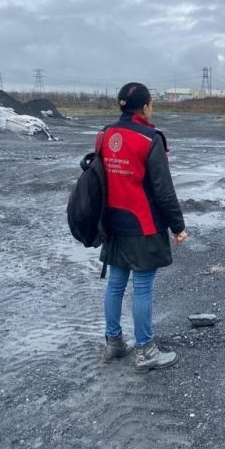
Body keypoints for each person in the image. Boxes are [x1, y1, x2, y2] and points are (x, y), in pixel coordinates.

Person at [96, 82, 188, 372]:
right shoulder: (150, 139)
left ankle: (113, 343)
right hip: (142, 224)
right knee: (143, 288)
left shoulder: (104, 135)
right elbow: (163, 190)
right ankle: (146, 350)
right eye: (152, 104)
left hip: (112, 222)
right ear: (145, 106)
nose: (152, 109)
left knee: (115, 284)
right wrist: (178, 226)